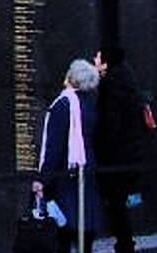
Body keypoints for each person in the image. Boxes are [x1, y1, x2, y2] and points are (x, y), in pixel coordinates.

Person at [33, 59, 102, 253]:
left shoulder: (63, 105)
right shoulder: (88, 104)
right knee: (83, 226)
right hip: (85, 169)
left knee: (62, 228)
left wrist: (42, 179)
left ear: (71, 77)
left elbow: (53, 146)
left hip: (64, 175)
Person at [95, 46, 145, 253]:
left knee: (117, 205)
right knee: (121, 205)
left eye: (98, 57)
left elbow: (110, 127)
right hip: (130, 155)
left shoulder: (111, 88)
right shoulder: (128, 83)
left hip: (115, 159)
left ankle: (125, 245)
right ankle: (126, 244)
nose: (94, 60)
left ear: (106, 63)